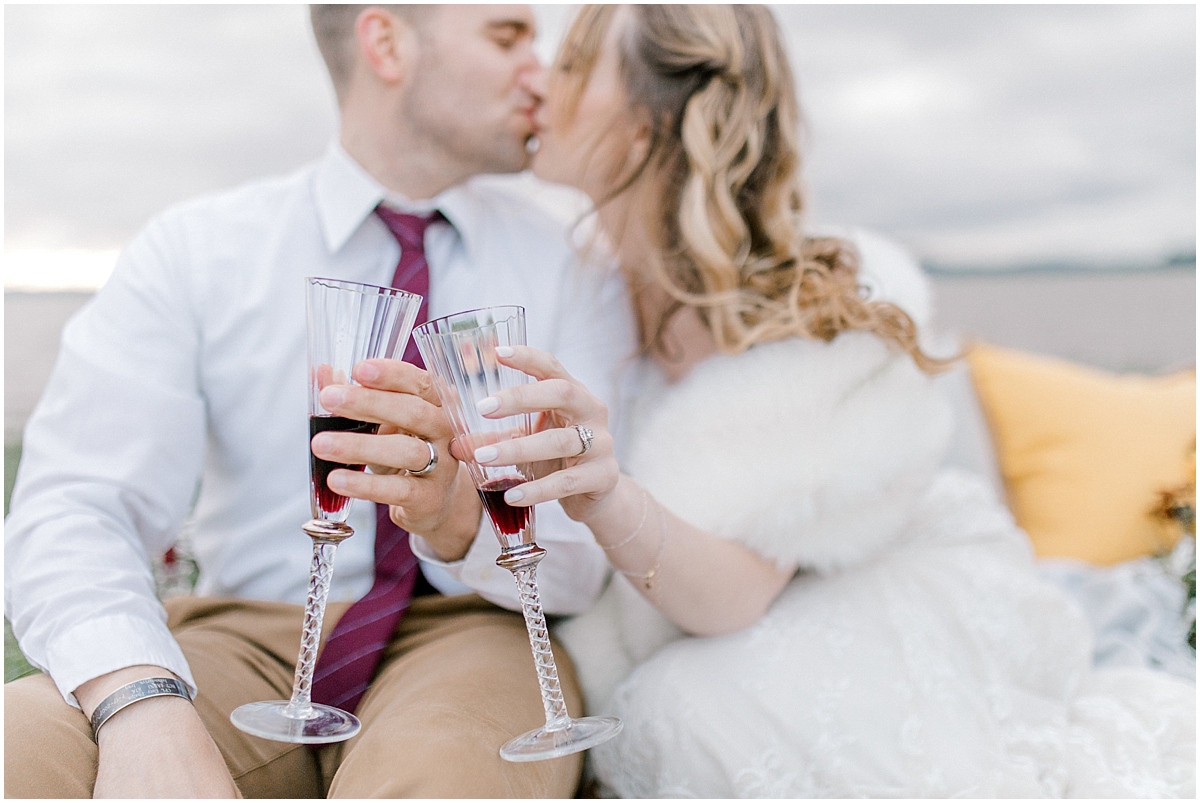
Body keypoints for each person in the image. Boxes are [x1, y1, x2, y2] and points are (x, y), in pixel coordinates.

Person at [462, 4, 1197, 797]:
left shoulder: (809, 316)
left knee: (700, 712)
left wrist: (606, 494)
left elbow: (734, 593)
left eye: (571, 62)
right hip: (703, 623)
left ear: (641, 126)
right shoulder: (566, 291)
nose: (538, 75)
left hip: (867, 604)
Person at [4, 4, 634, 798]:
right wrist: (141, 705)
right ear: (387, 41)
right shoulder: (197, 250)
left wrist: (459, 519)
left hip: (474, 626)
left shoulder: (573, 267)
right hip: (239, 632)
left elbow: (588, 565)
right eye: (507, 36)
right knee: (16, 750)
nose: (539, 72)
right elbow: (76, 502)